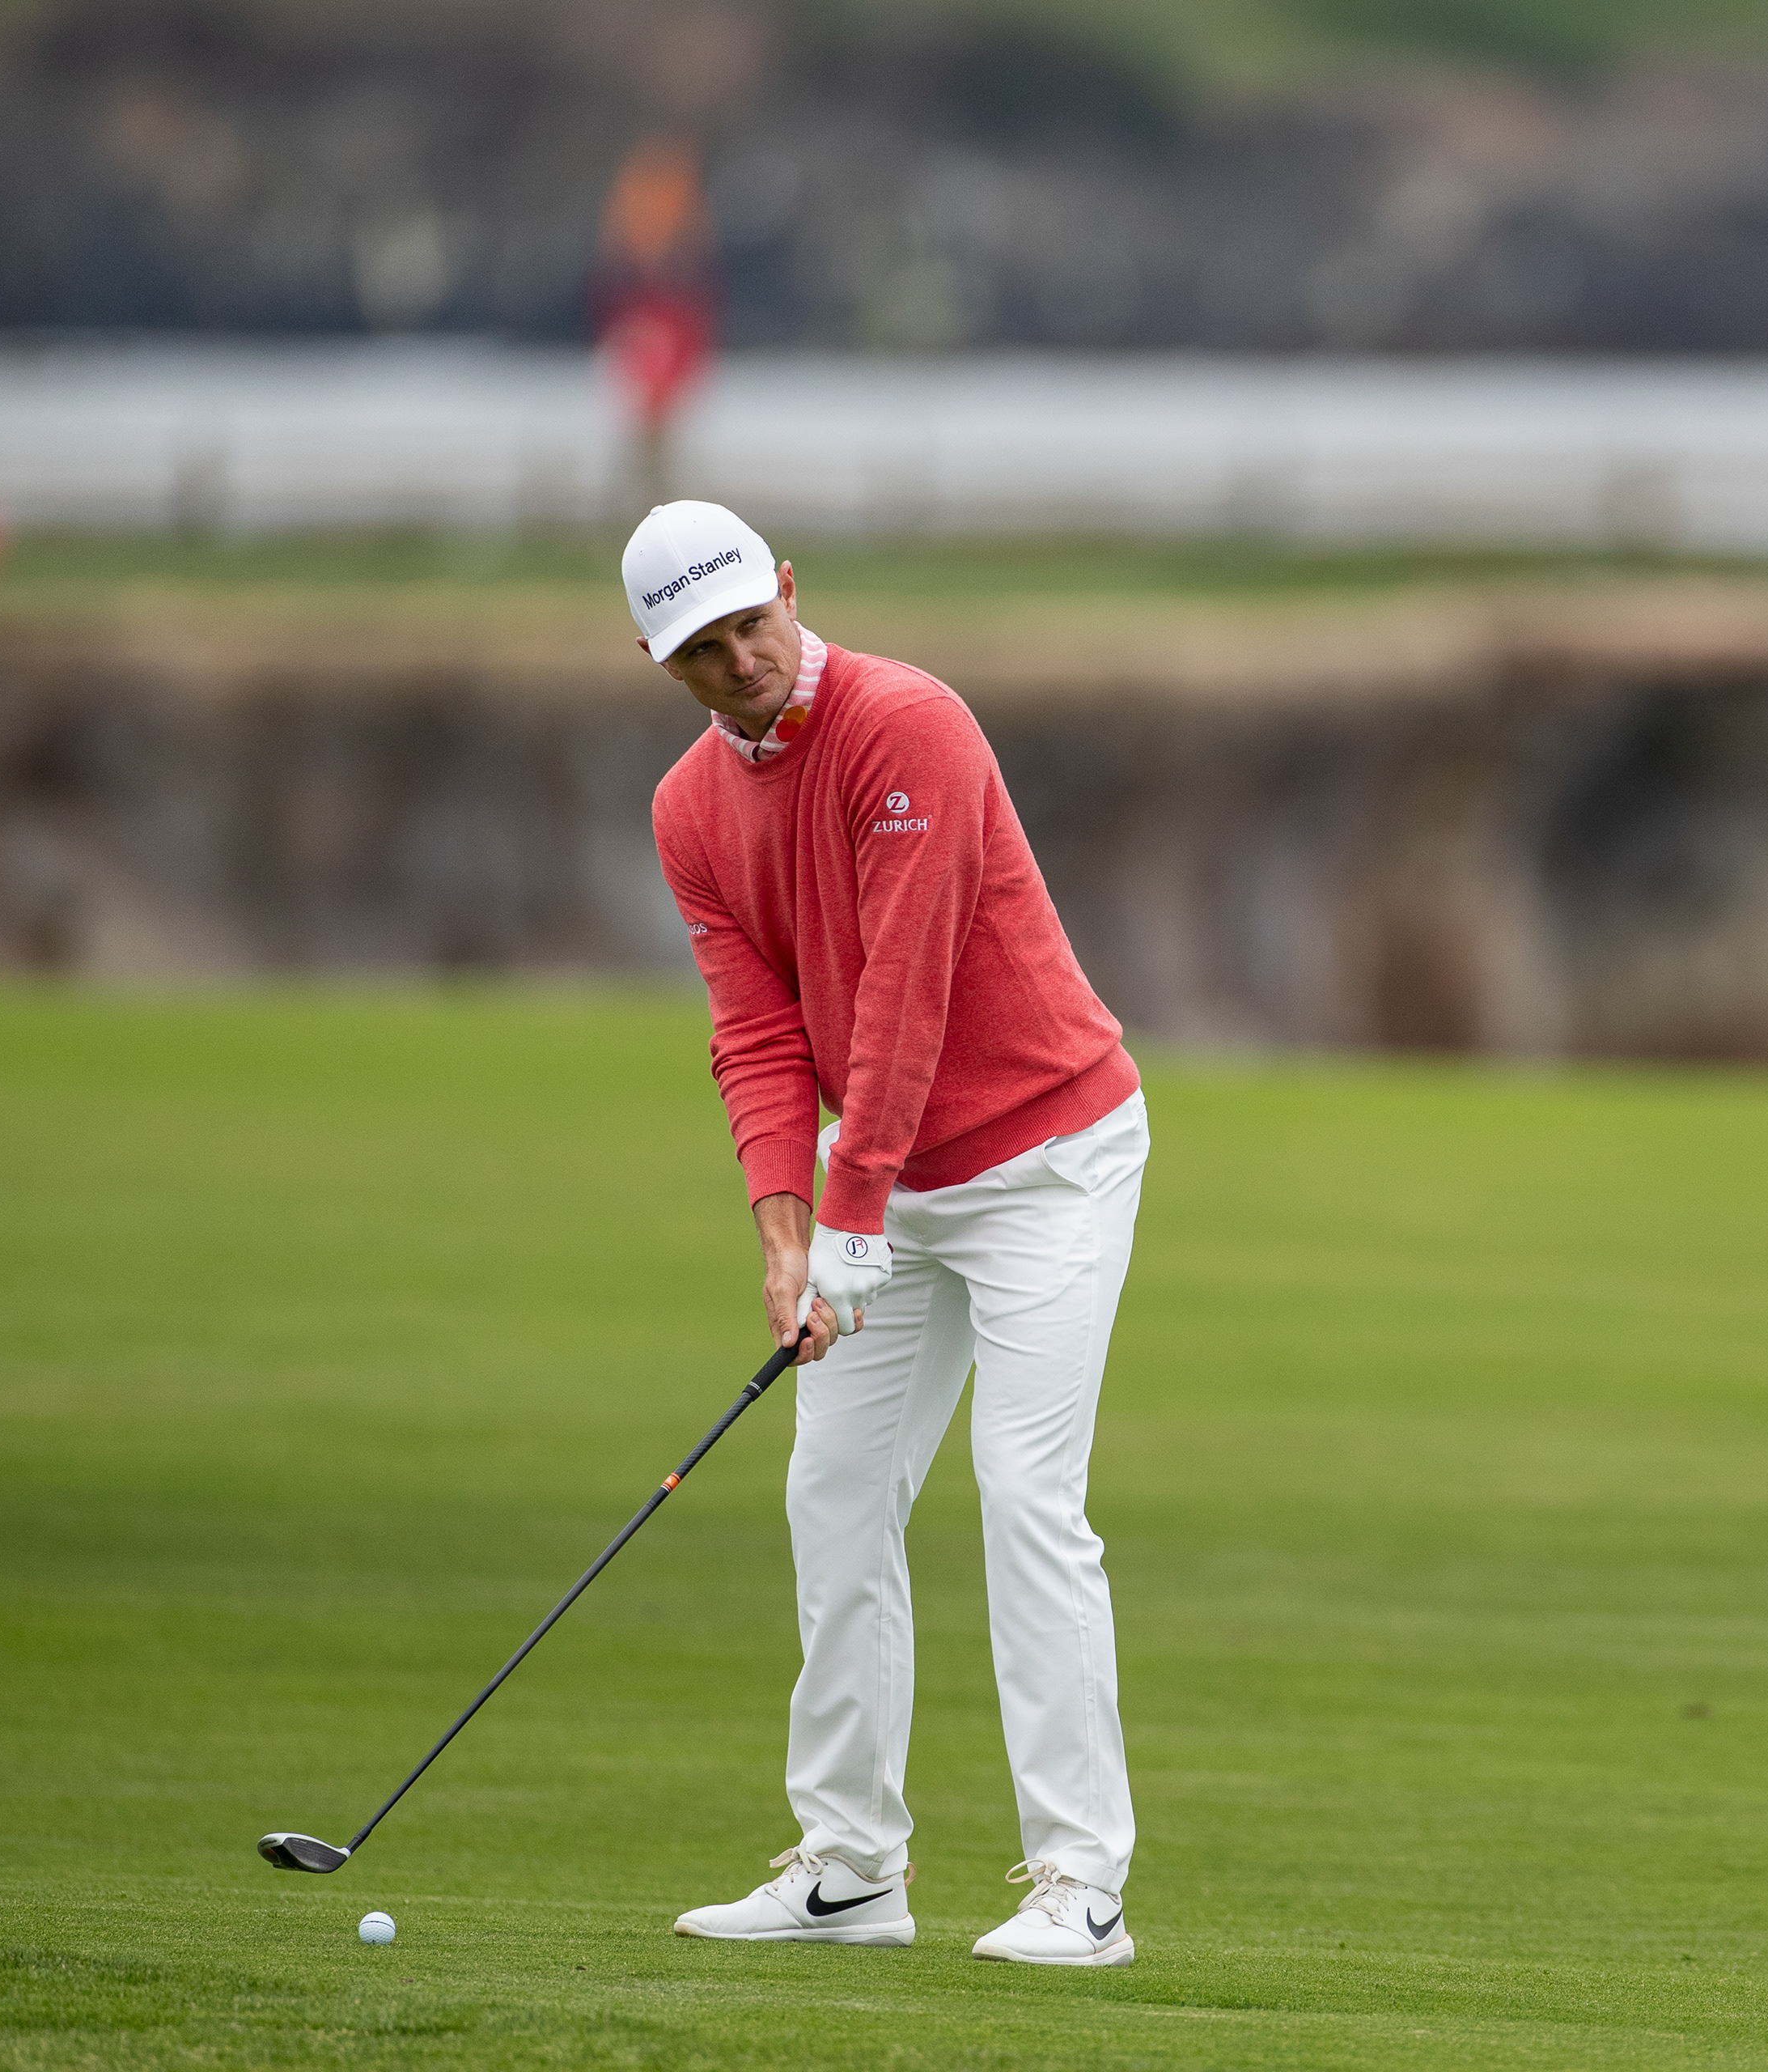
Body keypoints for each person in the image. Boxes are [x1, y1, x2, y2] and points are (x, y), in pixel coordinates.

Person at [626, 500, 1146, 1968]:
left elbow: (909, 994)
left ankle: (1079, 1886)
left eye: (752, 626)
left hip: (1051, 1154)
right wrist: (790, 1237)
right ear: (662, 663)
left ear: (789, 590)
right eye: (703, 651)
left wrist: (854, 1215)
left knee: (1025, 1496)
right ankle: (852, 1867)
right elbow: (759, 1034)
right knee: (832, 1493)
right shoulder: (687, 813)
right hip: (884, 1182)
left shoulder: (911, 726)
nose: (742, 664)